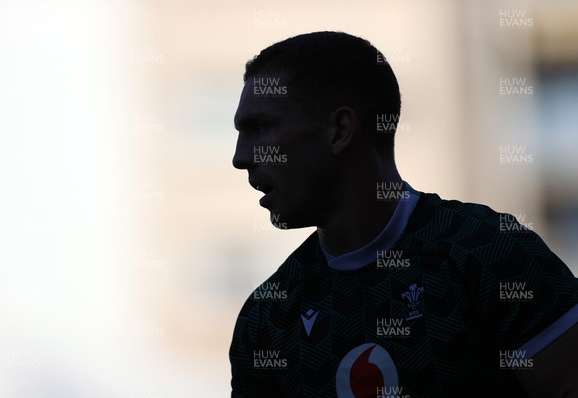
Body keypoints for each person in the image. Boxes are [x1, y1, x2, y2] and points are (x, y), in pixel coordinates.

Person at [229, 31, 578, 397]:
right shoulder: (266, 318)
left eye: (259, 128)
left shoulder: (490, 253)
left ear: (340, 130)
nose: (240, 157)